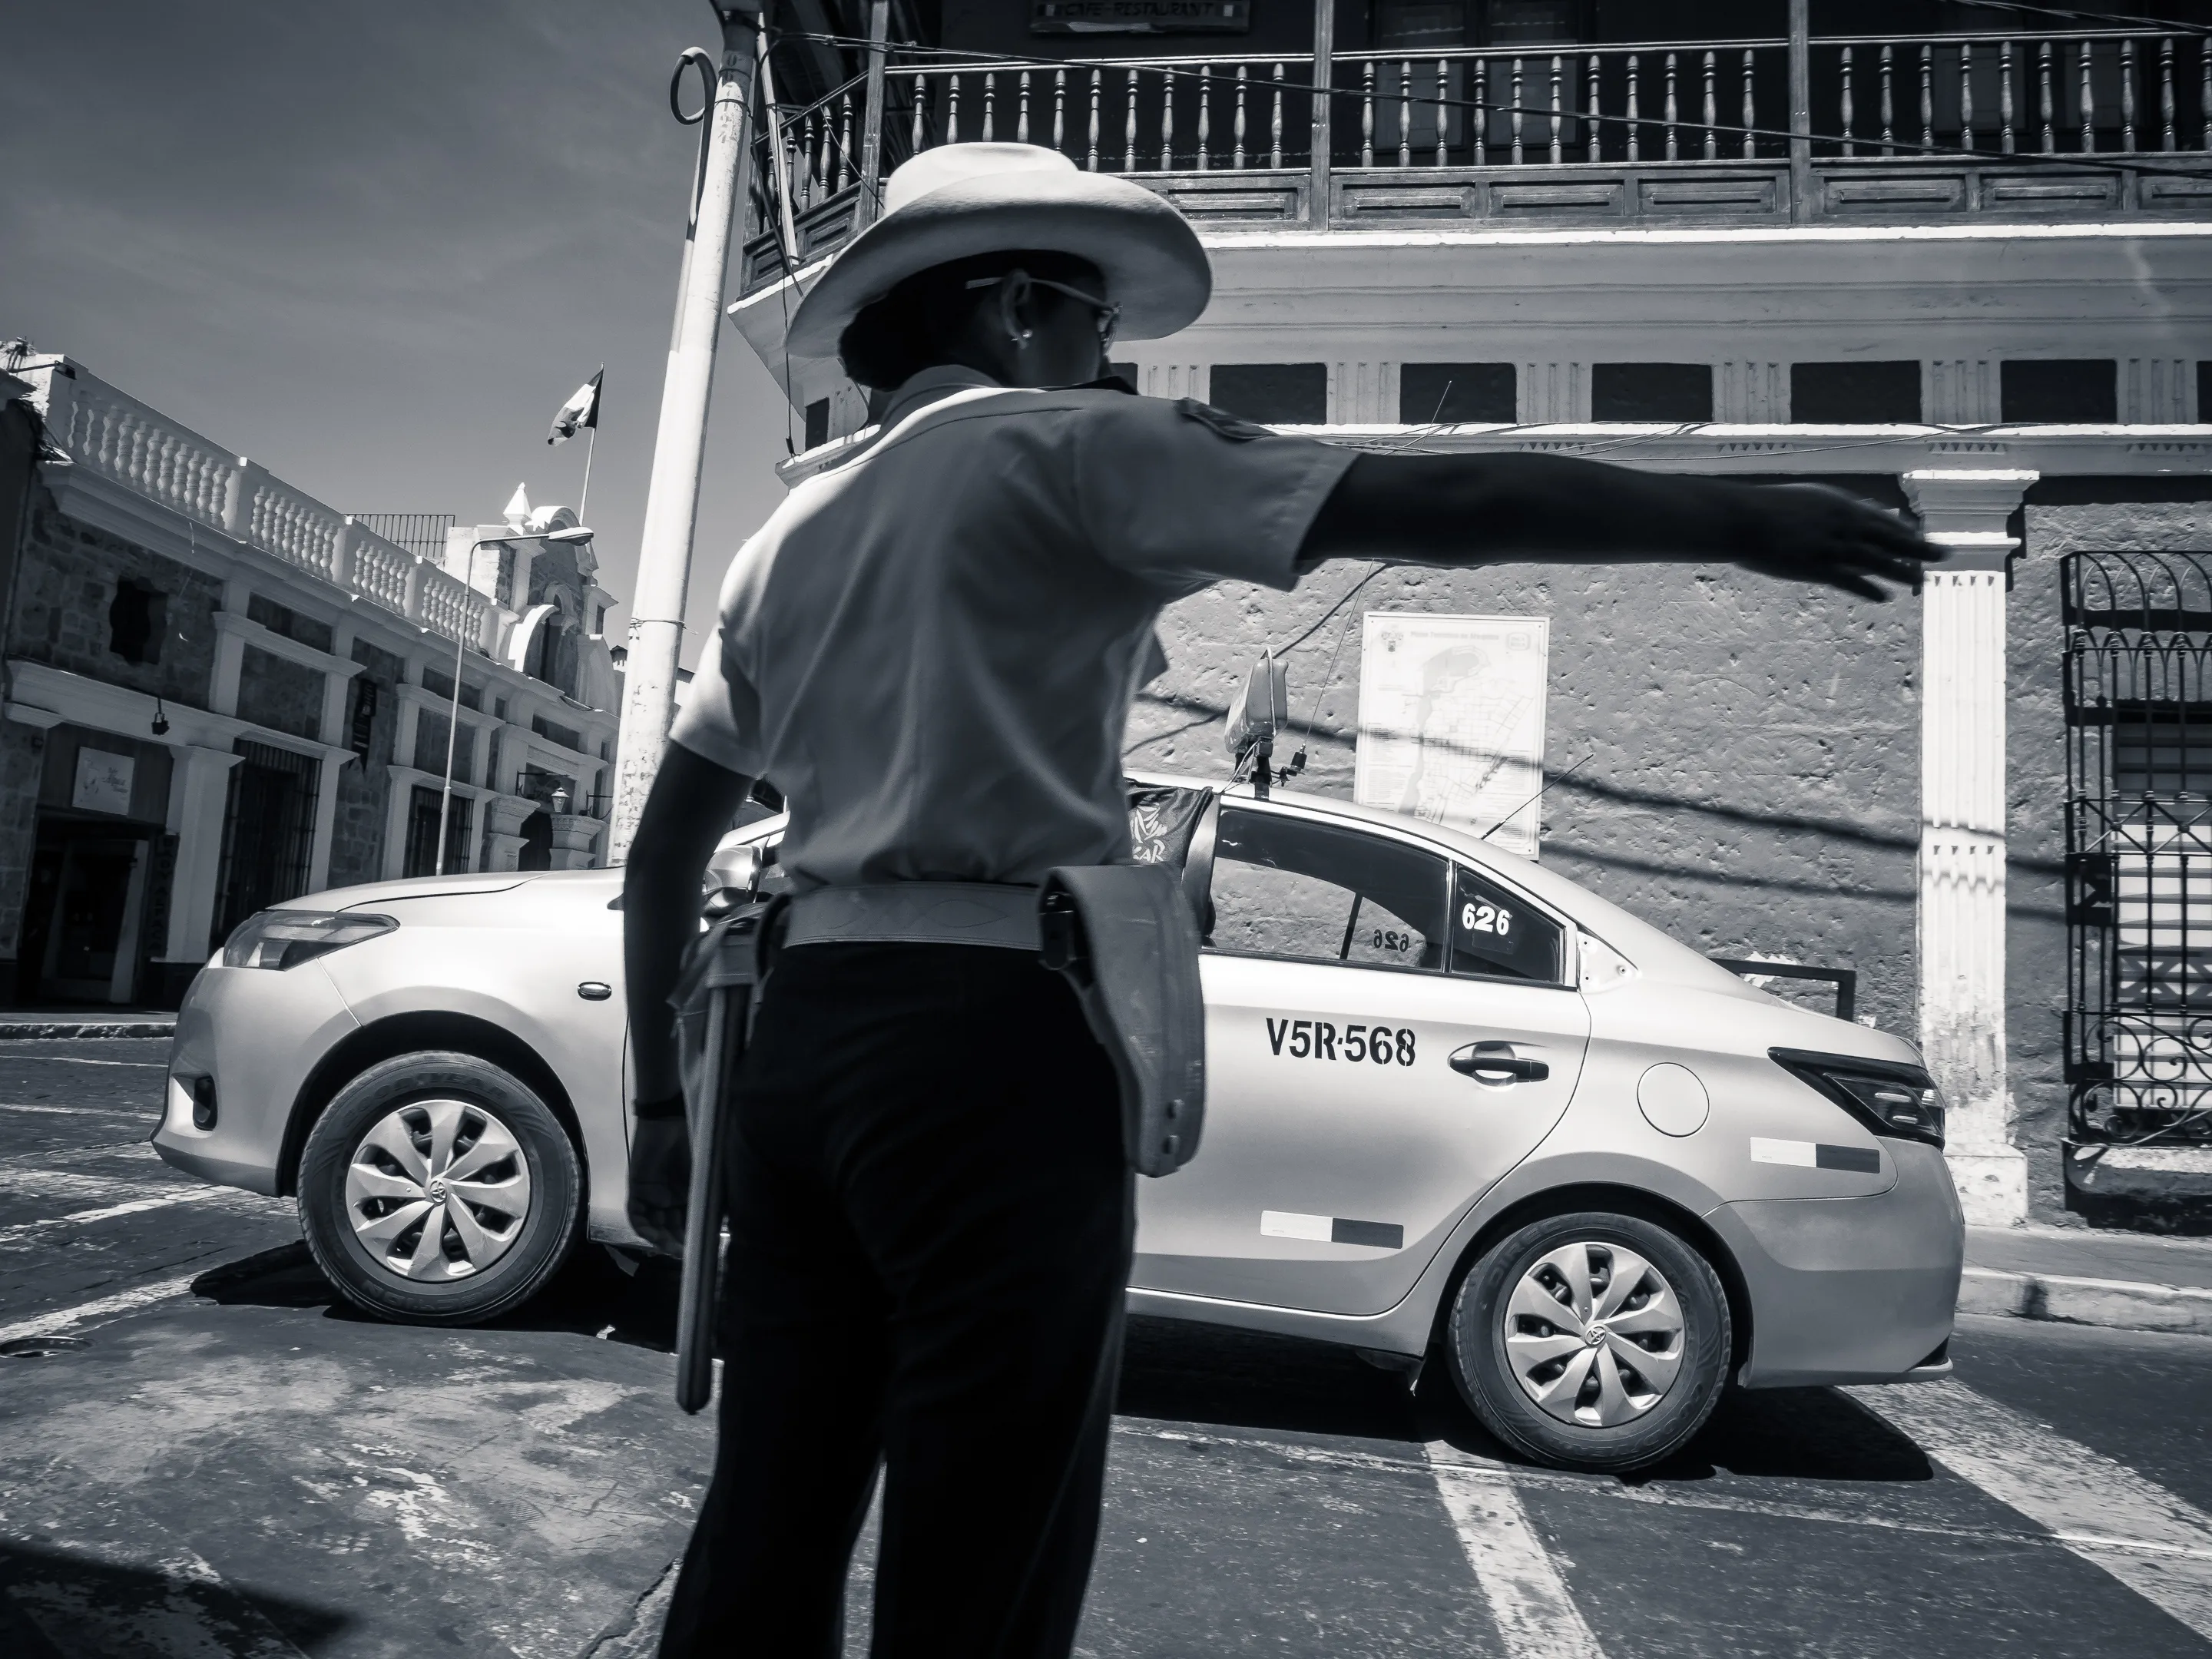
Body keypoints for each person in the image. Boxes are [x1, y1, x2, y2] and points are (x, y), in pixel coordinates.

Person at [622, 141, 1936, 1658]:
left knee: (769, 1514)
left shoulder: (786, 538)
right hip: (982, 1046)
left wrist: (665, 1109)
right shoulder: (1071, 450)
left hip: (800, 1040)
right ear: (1014, 309)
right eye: (1093, 322)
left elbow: (666, 858)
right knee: (984, 1540)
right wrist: (1742, 521)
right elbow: (1443, 505)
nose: (1111, 355)